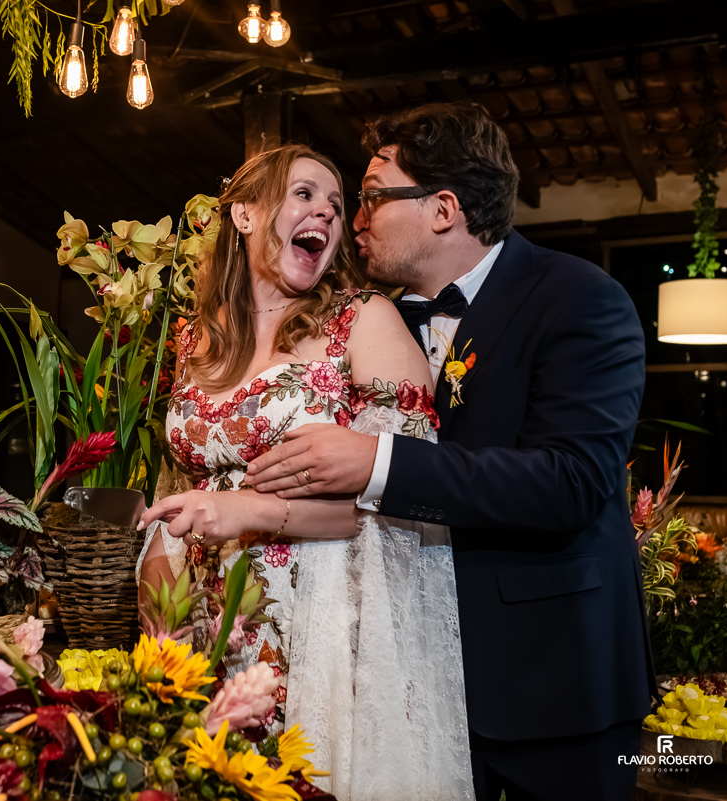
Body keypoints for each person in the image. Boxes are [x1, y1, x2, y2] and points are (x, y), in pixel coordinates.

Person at [246, 103, 651, 800]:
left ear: (442, 209)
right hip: (411, 687)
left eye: (371, 197)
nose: (356, 219)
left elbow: (571, 481)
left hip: (552, 689)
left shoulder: (579, 297)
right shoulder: (379, 320)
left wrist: (376, 462)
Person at [136, 143, 475, 799]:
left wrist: (253, 511)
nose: (328, 210)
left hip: (317, 635)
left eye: (337, 203)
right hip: (203, 633)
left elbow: (408, 499)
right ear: (243, 214)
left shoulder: (362, 321)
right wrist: (158, 555)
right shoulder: (195, 338)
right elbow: (181, 483)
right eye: (305, 194)